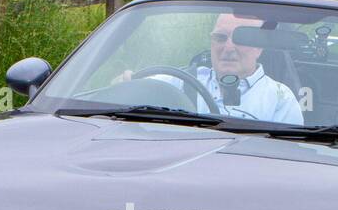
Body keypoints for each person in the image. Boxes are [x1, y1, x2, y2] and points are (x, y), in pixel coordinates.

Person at [116, 12, 304, 125]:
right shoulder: (181, 81)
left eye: (240, 39)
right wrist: (125, 84)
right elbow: (133, 89)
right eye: (220, 38)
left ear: (258, 47)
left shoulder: (280, 98)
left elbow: (284, 158)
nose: (228, 48)